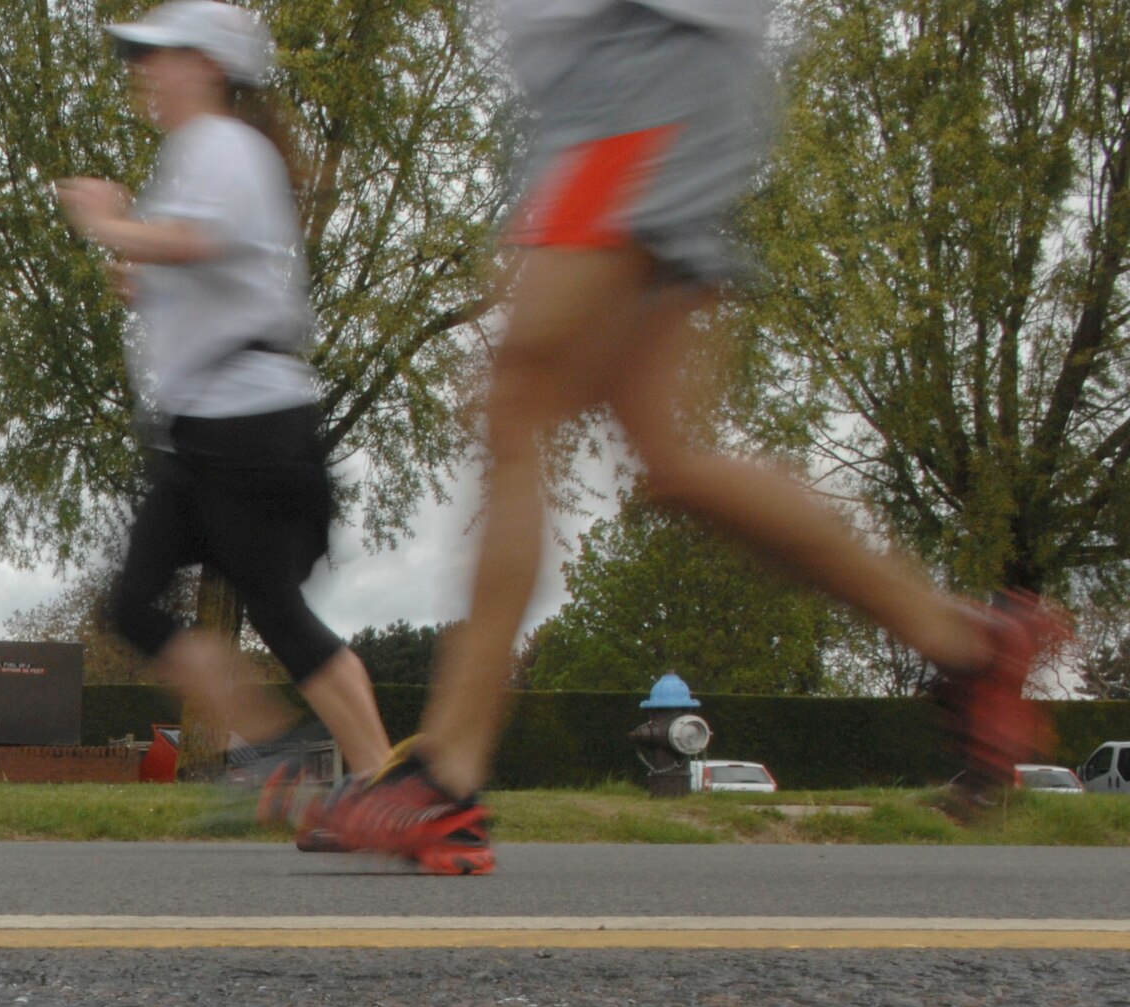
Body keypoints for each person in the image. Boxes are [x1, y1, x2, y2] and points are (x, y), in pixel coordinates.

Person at [307, 0, 1065, 872]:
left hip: (635, 72)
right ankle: (968, 642)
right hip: (622, 84)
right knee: (670, 457)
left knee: (517, 395)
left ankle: (448, 773)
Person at [55, 0, 394, 811]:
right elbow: (208, 265)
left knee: (266, 607)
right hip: (212, 428)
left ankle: (379, 780)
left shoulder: (220, 144)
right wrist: (149, 285)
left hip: (247, 423)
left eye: (158, 57)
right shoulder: (204, 152)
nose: (143, 74)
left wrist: (113, 226)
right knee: (139, 605)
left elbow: (196, 242)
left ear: (206, 67)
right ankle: (286, 749)